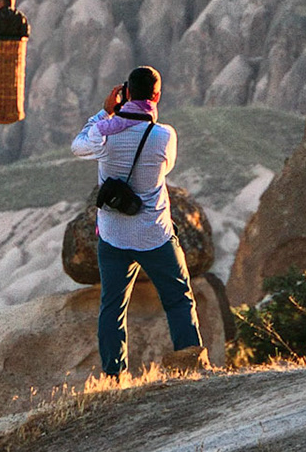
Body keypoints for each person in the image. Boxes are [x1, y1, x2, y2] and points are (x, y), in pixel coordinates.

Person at [70, 66, 205, 377]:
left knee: (113, 308)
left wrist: (104, 114)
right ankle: (191, 368)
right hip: (154, 235)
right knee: (179, 300)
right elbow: (166, 167)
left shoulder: (103, 136)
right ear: (156, 96)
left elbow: (78, 146)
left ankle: (114, 377)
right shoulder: (164, 136)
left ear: (125, 94)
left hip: (113, 236)